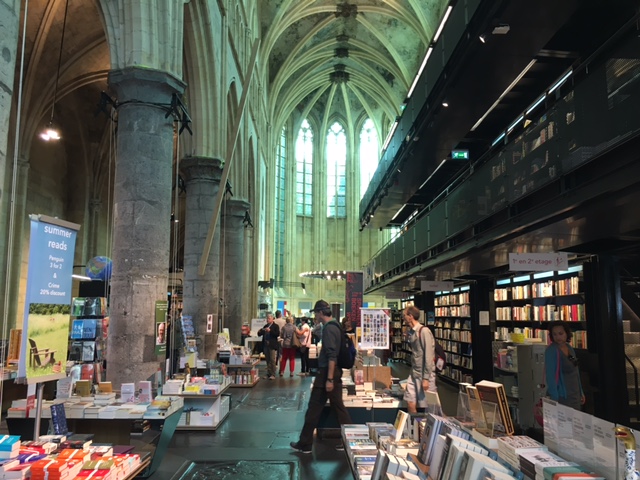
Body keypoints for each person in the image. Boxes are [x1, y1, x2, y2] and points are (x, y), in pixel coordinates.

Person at [291, 300, 352, 454]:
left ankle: (305, 444)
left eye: (315, 313)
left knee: (315, 408)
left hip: (326, 374)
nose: (315, 316)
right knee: (337, 408)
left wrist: (329, 379)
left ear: (320, 312)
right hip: (331, 373)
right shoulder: (335, 325)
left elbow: (332, 356)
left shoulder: (330, 329)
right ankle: (350, 442)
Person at [403, 305, 437, 413]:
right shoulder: (412, 332)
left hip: (423, 374)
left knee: (430, 407)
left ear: (410, 316)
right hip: (414, 373)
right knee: (410, 402)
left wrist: (426, 378)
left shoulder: (424, 331)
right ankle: (415, 427)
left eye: (404, 315)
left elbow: (428, 355)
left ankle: (432, 428)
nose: (403, 317)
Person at [545, 321, 585, 410]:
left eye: (560, 333)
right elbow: (550, 376)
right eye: (554, 334)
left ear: (566, 333)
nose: (558, 337)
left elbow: (575, 371)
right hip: (563, 395)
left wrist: (581, 391)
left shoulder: (569, 347)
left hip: (574, 393)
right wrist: (554, 398)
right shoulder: (551, 350)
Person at [258, 313, 280, 380]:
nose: (267, 320)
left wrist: (270, 331)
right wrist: (260, 331)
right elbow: (260, 334)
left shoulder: (275, 326)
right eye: (267, 318)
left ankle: (273, 373)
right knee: (267, 360)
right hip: (265, 345)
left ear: (272, 319)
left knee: (272, 359)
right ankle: (269, 373)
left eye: (269, 318)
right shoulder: (265, 326)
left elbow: (277, 334)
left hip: (272, 345)